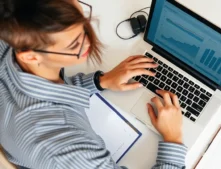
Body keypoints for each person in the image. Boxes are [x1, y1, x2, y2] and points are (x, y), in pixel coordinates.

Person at [0, 0, 187, 169]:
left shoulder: (11, 34)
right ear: (31, 56)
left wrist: (100, 81)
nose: (89, 42)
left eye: (83, 24)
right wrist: (173, 138)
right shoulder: (65, 150)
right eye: (74, 45)